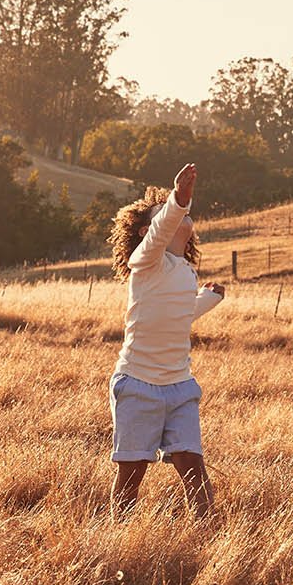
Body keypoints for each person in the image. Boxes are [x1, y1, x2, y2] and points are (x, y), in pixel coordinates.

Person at [106, 162, 225, 519]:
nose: (182, 217)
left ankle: (204, 541)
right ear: (148, 231)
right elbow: (160, 232)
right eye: (165, 216)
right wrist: (178, 199)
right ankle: (120, 537)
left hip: (179, 387)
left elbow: (177, 316)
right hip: (138, 385)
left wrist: (208, 298)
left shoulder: (186, 271)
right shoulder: (145, 261)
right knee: (133, 471)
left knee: (194, 468)